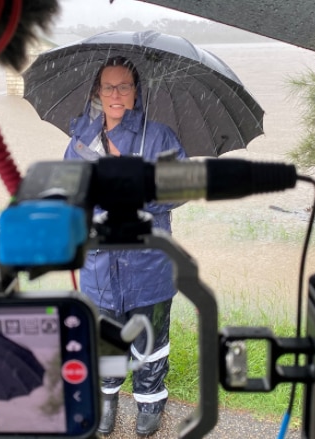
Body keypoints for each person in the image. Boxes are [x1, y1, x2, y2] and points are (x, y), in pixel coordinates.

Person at [64, 56, 187, 436]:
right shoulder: (81, 141)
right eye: (108, 86)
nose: (116, 94)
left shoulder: (160, 136)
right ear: (97, 92)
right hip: (98, 267)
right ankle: (107, 398)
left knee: (150, 340)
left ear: (136, 91)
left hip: (149, 264)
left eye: (124, 86)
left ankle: (150, 402)